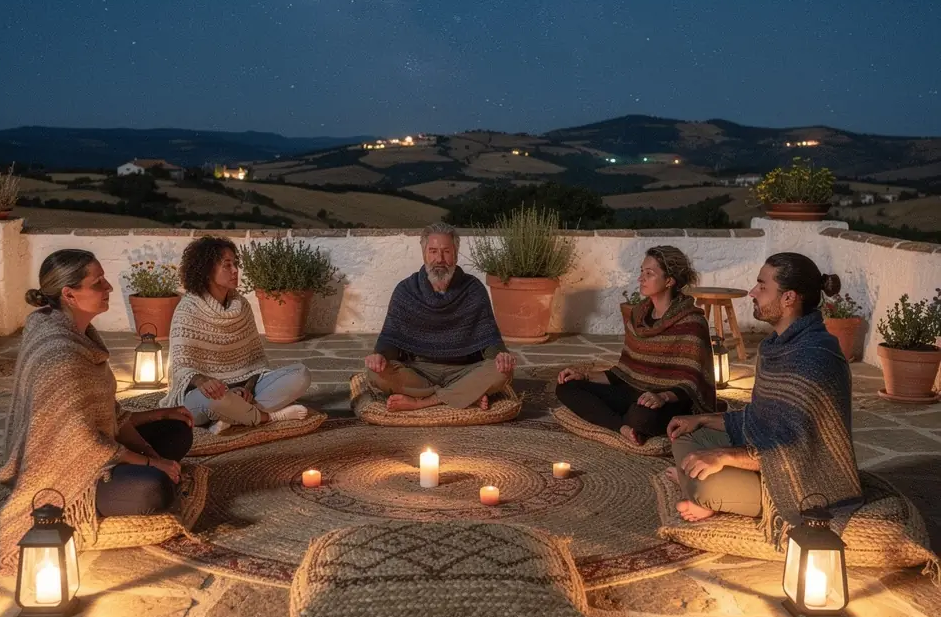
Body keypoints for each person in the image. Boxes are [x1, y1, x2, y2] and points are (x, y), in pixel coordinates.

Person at [0, 249, 195, 571]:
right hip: (64, 466)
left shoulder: (79, 335)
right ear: (69, 294)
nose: (108, 288)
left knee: (177, 431)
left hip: (93, 444)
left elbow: (104, 414)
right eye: (98, 283)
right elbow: (82, 443)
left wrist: (159, 416)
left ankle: (150, 462)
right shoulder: (59, 353)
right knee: (154, 490)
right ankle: (136, 479)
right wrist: (154, 462)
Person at [666, 253, 862, 543]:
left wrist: (724, 456)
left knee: (703, 484)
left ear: (789, 298)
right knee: (685, 436)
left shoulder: (815, 357)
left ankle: (704, 495)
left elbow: (798, 449)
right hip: (767, 456)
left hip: (805, 481)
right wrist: (703, 419)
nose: (753, 292)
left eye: (762, 286)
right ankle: (701, 484)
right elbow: (762, 418)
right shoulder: (775, 346)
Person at [555, 246, 716, 445]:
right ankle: (621, 427)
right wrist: (584, 375)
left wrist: (662, 397)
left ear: (669, 280)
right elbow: (622, 373)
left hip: (669, 401)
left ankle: (618, 420)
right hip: (633, 393)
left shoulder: (691, 322)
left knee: (642, 416)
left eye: (649, 274)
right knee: (566, 387)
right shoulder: (638, 315)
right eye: (641, 272)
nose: (641, 278)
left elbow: (693, 385)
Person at [164, 236, 311, 432]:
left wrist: (248, 389)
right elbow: (181, 368)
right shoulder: (188, 310)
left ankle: (235, 415)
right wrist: (206, 382)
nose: (235, 270)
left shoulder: (241, 306)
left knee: (300, 374)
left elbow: (255, 363)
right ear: (207, 270)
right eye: (227, 265)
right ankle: (269, 417)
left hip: (244, 391)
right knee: (217, 401)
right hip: (205, 394)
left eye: (235, 264)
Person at [364, 222, 515, 411]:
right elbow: (390, 339)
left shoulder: (473, 289)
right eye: (433, 251)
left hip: (464, 370)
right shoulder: (406, 290)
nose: (440, 259)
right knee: (375, 374)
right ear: (424, 254)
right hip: (419, 371)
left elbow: (489, 339)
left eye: (446, 251)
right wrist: (379, 357)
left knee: (502, 372)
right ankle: (463, 395)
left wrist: (501, 357)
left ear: (456, 254)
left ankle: (423, 401)